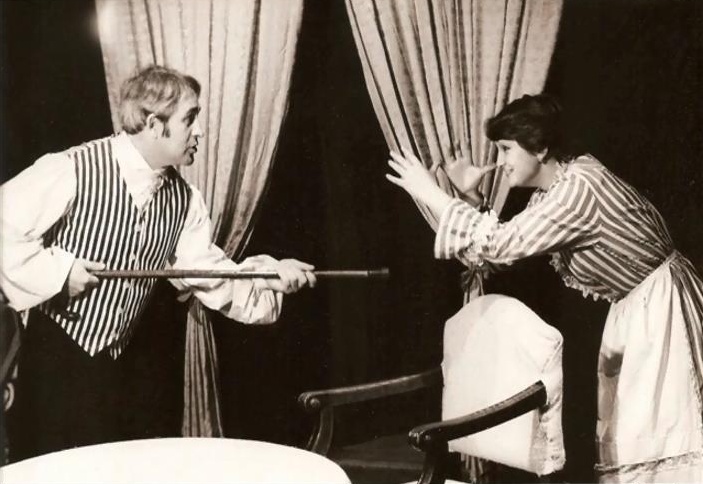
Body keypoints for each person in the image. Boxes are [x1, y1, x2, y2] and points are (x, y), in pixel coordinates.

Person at [0, 65, 317, 461]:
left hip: (116, 371)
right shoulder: (73, 168)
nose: (199, 131)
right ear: (153, 124)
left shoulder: (184, 200)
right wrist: (60, 273)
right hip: (53, 363)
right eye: (190, 118)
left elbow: (208, 272)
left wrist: (269, 277)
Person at [386, 94, 703, 482]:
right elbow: (496, 255)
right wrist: (472, 198)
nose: (501, 161)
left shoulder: (580, 187)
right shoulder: (552, 193)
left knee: (667, 432)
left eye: (507, 149)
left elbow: (499, 244)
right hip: (637, 310)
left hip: (661, 310)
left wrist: (428, 191)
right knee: (640, 437)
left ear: (540, 148)